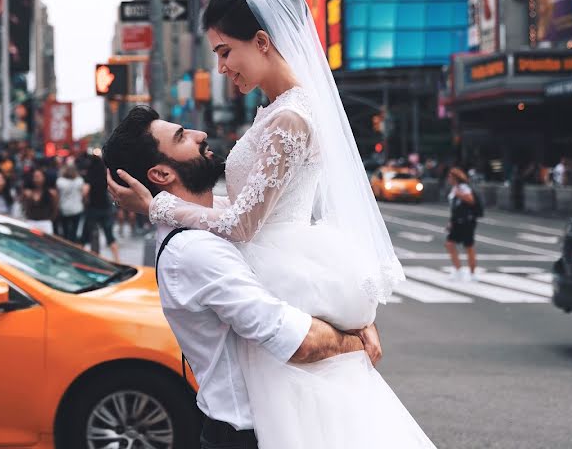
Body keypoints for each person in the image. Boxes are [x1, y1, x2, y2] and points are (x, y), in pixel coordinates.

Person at [108, 0, 432, 449]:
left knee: (304, 402)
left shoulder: (290, 118)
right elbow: (243, 208)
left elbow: (242, 222)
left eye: (224, 53)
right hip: (272, 254)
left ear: (261, 41)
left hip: (277, 257)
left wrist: (160, 206)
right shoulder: (273, 108)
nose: (221, 68)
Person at [104, 106, 387, 449]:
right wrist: (357, 343)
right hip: (248, 435)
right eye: (181, 136)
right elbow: (297, 340)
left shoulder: (212, 223)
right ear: (162, 174)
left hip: (275, 423)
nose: (200, 134)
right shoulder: (196, 250)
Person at [82, 155, 120, 261]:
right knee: (109, 235)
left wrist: (85, 201)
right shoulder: (105, 175)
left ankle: (82, 258)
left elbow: (85, 192)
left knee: (86, 235)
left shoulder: (89, 176)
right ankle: (117, 259)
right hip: (105, 208)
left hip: (93, 208)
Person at [445, 167, 479, 282]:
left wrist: (459, 194)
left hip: (466, 221)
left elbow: (471, 200)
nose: (448, 179)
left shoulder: (463, 188)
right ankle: (459, 270)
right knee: (450, 244)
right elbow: (454, 207)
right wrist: (451, 221)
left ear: (455, 178)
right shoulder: (455, 188)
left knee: (468, 246)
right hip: (456, 221)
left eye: (450, 177)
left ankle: (472, 273)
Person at [20, 167, 58, 234]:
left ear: (44, 178)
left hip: (45, 223)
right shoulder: (28, 193)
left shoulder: (51, 193)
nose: (36, 179)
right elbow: (24, 207)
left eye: (38, 177)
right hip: (31, 222)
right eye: (34, 177)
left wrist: (49, 219)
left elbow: (55, 210)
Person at [55, 163, 84, 242]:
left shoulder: (60, 181)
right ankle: (73, 244)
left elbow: (57, 196)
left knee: (65, 231)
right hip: (77, 208)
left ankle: (66, 244)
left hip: (64, 208)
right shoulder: (79, 181)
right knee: (74, 230)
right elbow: (83, 193)